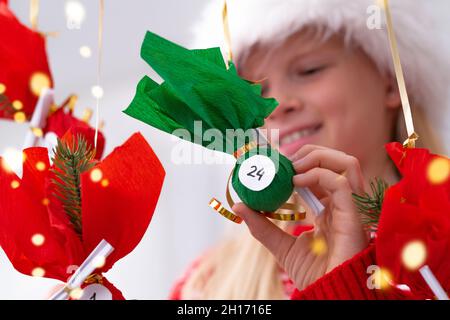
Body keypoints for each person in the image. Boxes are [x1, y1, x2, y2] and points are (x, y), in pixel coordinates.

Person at [170, 0, 449, 299]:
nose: (276, 105)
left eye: (308, 71)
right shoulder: (206, 283)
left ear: (391, 81)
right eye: (256, 92)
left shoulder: (439, 243)